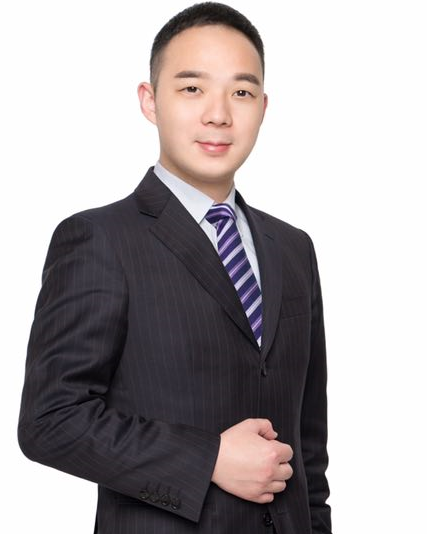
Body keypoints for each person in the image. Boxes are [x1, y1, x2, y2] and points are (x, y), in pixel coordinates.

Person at [18, 2, 332, 533]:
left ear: (263, 106)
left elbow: (308, 446)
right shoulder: (99, 239)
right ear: (150, 100)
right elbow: (51, 421)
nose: (218, 115)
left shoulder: (292, 248)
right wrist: (207, 459)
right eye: (192, 88)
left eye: (241, 93)